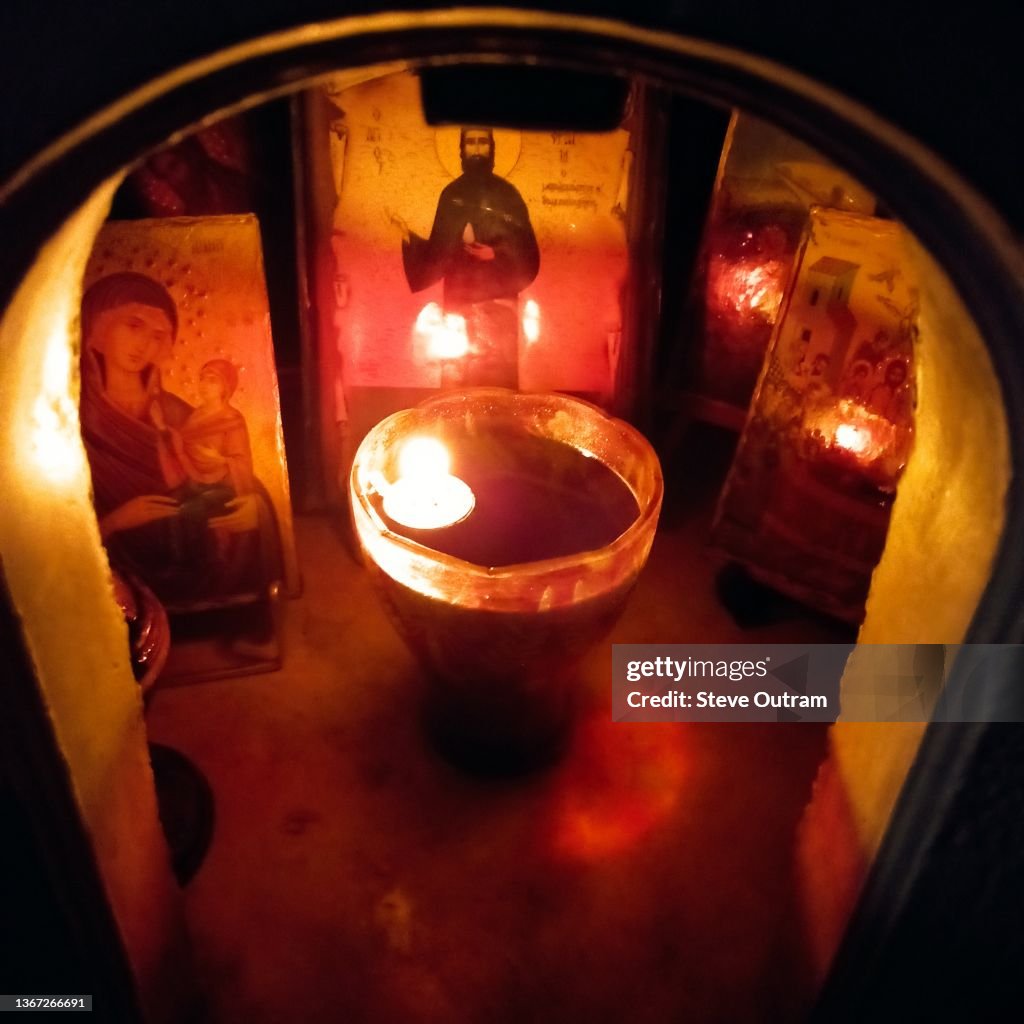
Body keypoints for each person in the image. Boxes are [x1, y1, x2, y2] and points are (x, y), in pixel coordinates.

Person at [79, 272, 281, 607]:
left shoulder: (175, 412)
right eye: (133, 325)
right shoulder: (67, 420)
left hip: (204, 575)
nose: (145, 344)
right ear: (98, 326)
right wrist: (115, 521)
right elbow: (52, 528)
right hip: (118, 598)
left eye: (158, 335)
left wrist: (255, 509)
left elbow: (225, 473)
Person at [390, 127, 539, 388]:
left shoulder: (507, 194)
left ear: (491, 148)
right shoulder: (452, 195)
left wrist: (496, 252)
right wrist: (409, 237)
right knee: (459, 376)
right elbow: (439, 250)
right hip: (460, 297)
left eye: (483, 142)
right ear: (462, 149)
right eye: (472, 143)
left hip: (499, 299)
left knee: (497, 381)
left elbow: (527, 249)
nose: (478, 149)